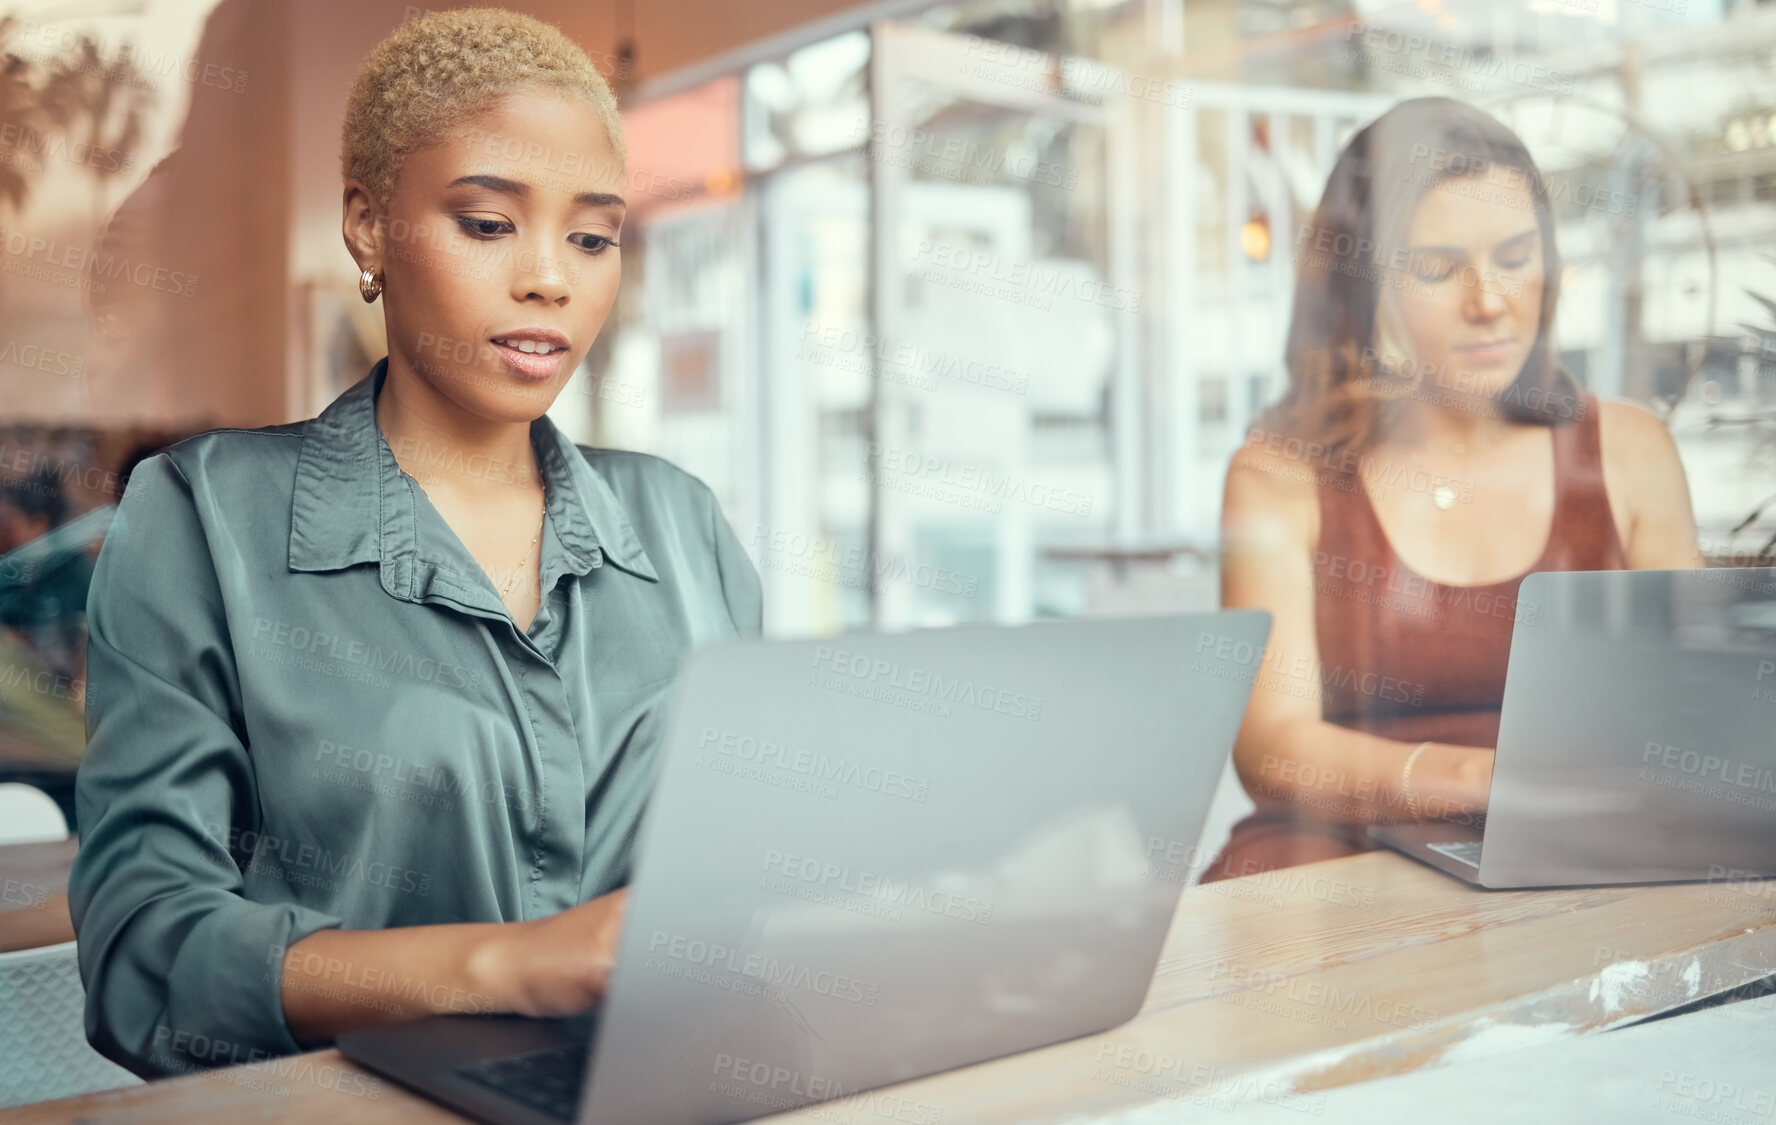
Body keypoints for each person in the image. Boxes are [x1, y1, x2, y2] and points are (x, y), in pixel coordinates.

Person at [69, 8, 761, 1078]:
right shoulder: (204, 522)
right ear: (368, 227)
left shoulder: (683, 524)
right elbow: (142, 960)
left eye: (592, 234)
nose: (551, 279)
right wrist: (518, 965)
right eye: (489, 224)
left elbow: (750, 871)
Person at [1203, 97, 1698, 882]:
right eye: (1437, 267)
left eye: (1515, 255)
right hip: (1328, 859)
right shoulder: (1279, 475)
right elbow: (1273, 747)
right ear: (1365, 287)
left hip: (1576, 843)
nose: (1490, 300)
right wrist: (1482, 782)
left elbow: (1691, 706)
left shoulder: (1631, 452)